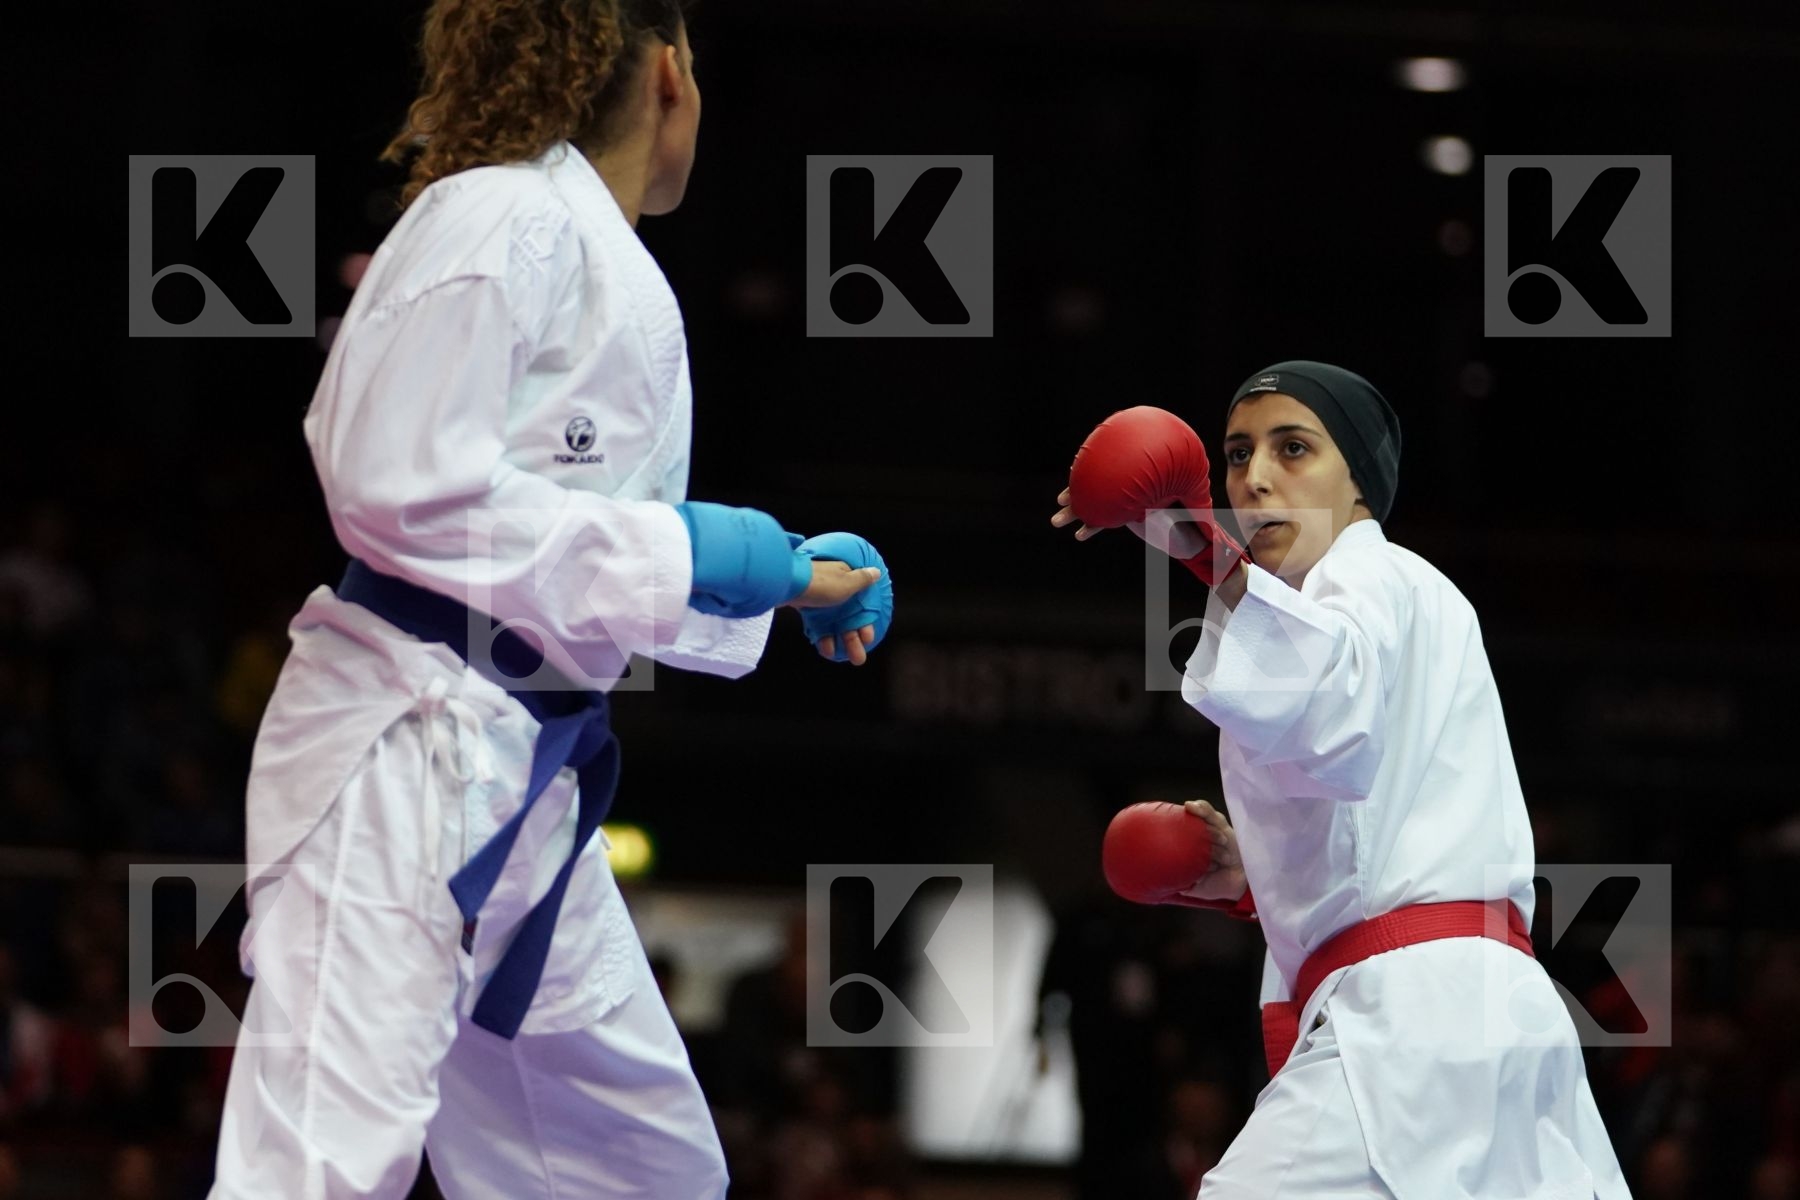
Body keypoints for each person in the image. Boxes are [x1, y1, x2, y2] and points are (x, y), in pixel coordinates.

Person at [208, 3, 893, 1196]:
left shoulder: (590, 252)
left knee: (640, 1171)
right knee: (318, 1166)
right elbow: (396, 485)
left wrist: (767, 572)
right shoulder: (500, 212)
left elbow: (572, 561)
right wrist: (708, 555)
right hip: (404, 749)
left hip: (526, 775)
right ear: (672, 71)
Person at [1052, 361, 1629, 1198]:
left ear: (1358, 479)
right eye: (1238, 454)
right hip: (1472, 1015)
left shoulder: (1367, 576)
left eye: (1293, 448)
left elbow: (1328, 704)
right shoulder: (1358, 607)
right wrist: (1250, 880)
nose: (1253, 477)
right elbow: (1370, 821)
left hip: (1419, 1017)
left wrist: (1194, 541)